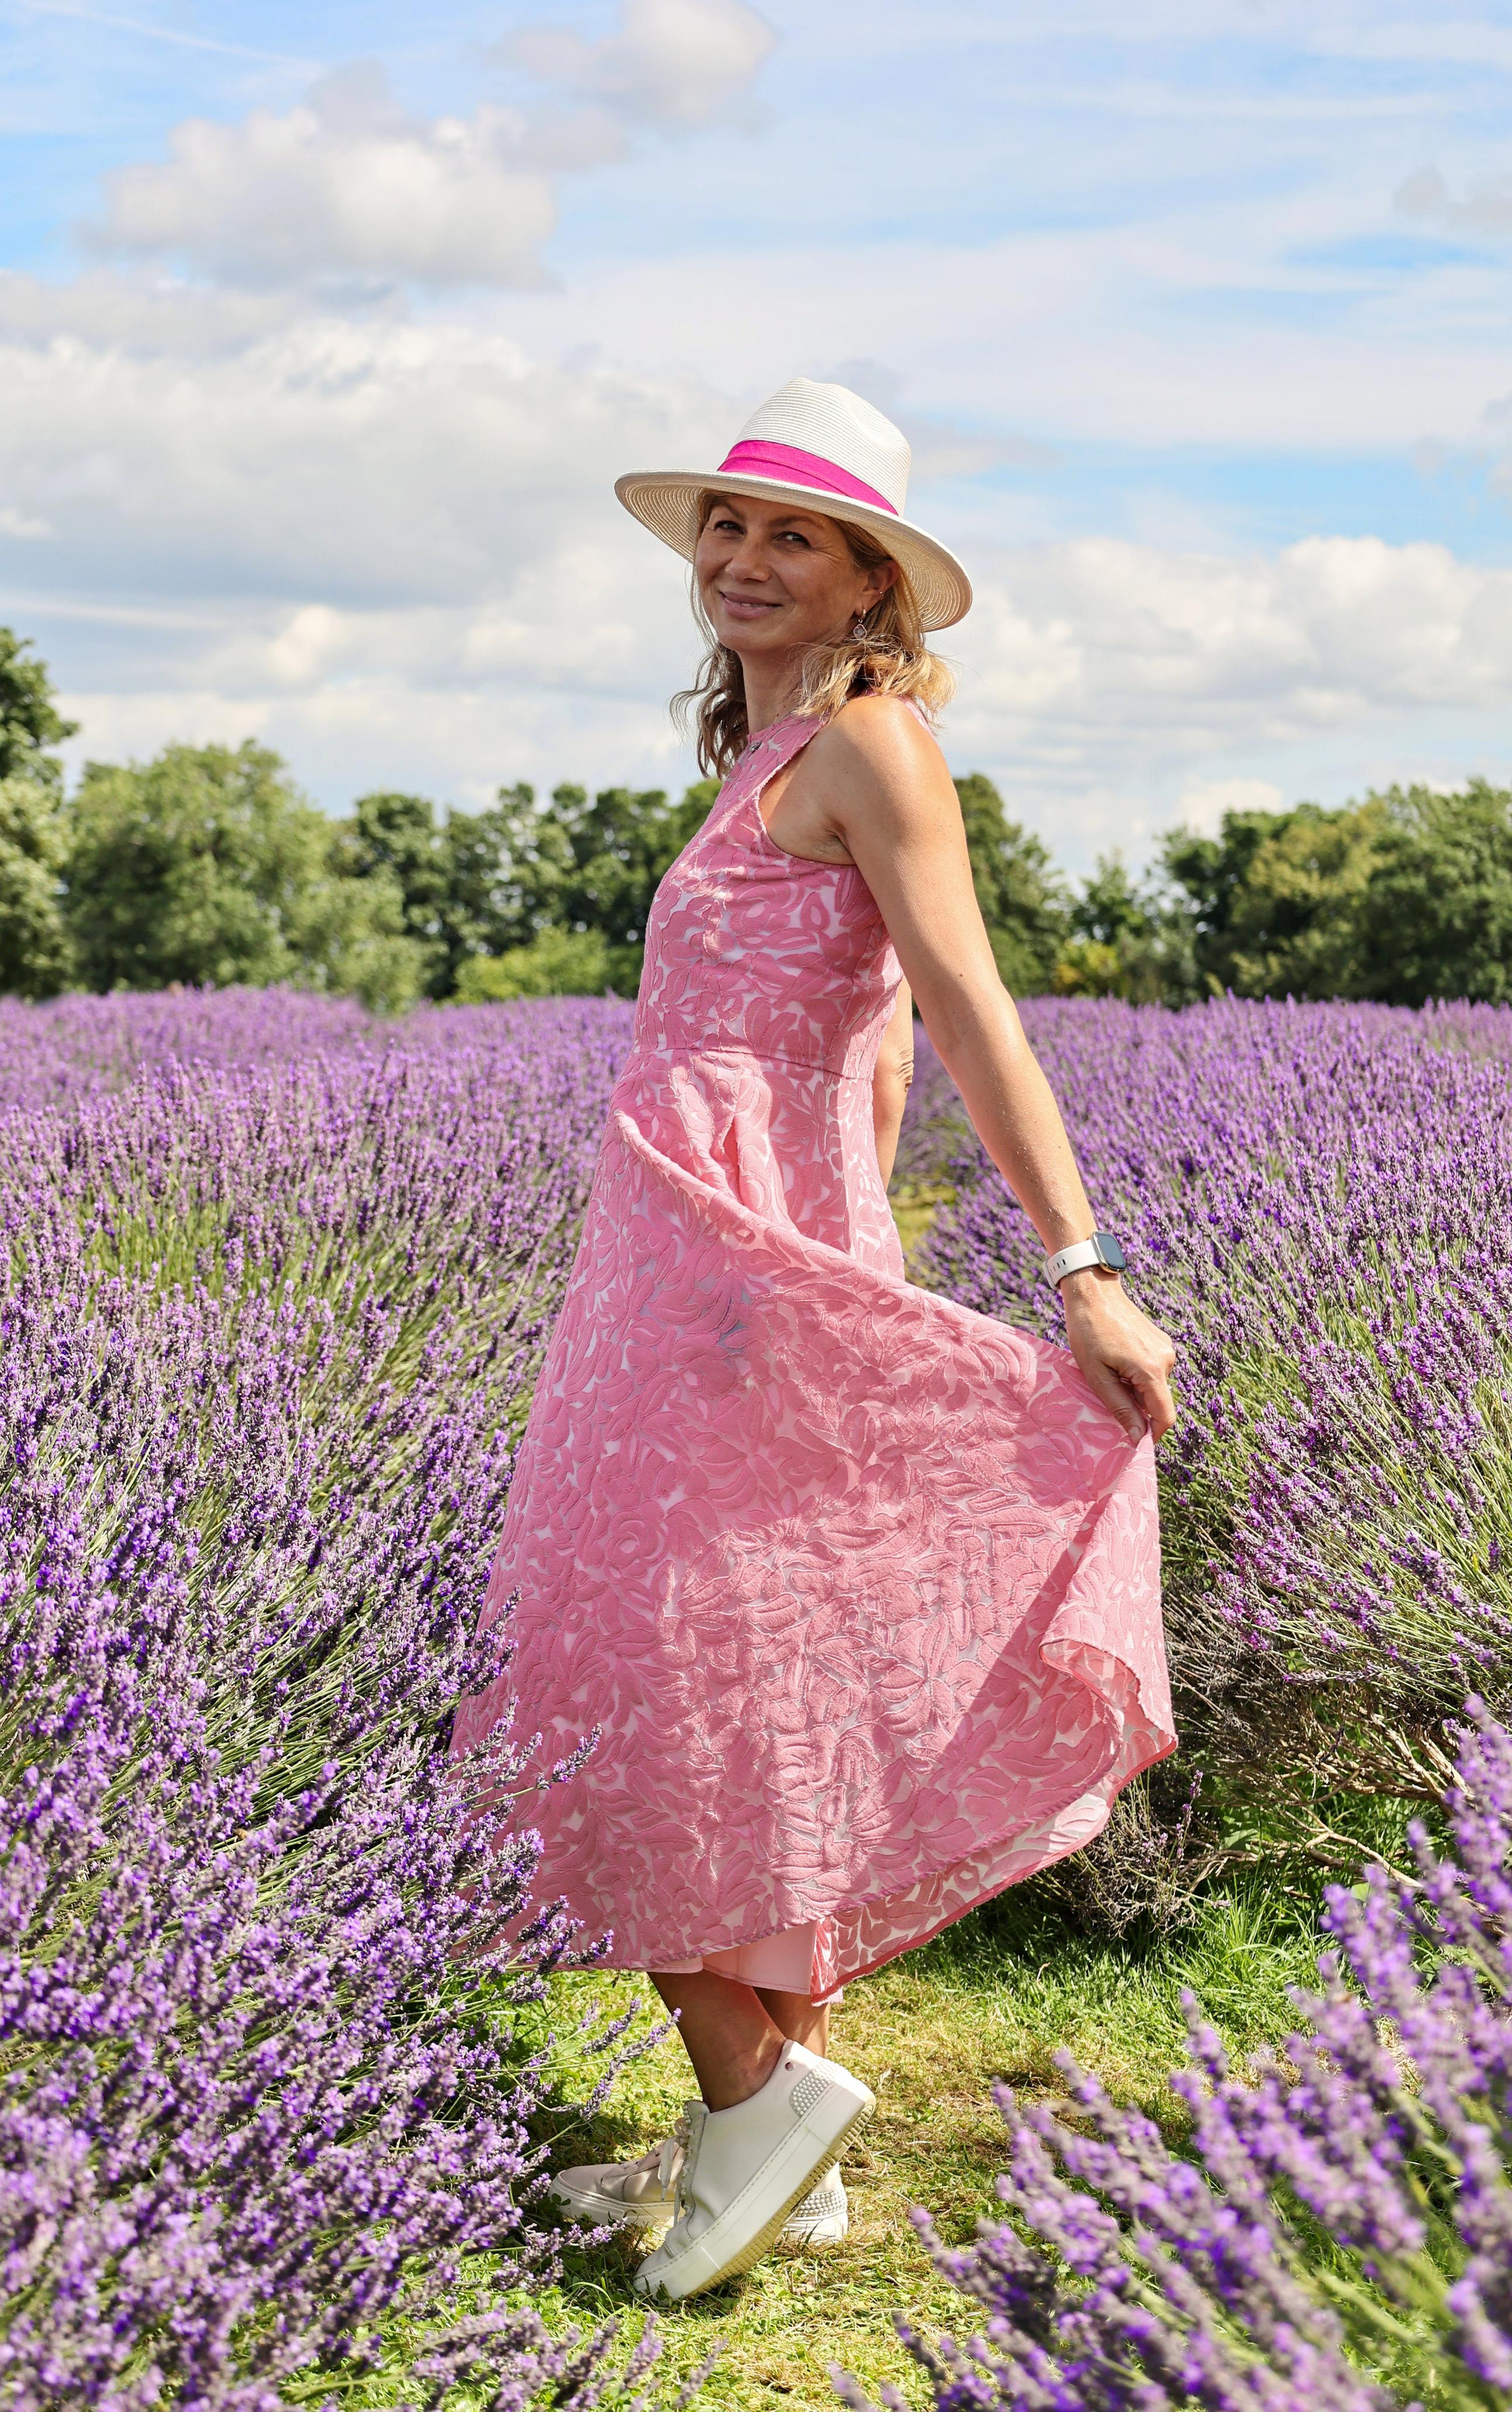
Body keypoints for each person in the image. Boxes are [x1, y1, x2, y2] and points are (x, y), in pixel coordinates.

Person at [453, 378, 1177, 2302]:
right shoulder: (761, 756)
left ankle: (763, 2107)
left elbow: (963, 1007)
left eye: (790, 537)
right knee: (731, 1660)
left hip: (720, 1274)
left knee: (629, 1669)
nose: (741, 562)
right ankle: (759, 2138)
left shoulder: (872, 745)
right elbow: (849, 1047)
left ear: (873, 578)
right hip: (706, 1262)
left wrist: (1078, 1262)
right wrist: (830, 1232)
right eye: (724, 529)